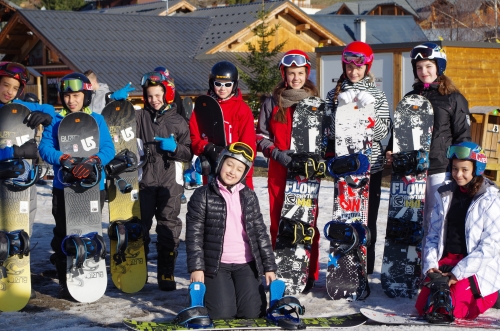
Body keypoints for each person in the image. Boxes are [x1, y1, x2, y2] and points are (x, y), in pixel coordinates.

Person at [386, 42, 471, 254]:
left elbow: (462, 136)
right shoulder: (410, 98)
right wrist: (390, 149)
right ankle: (413, 265)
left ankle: (434, 267)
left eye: (428, 66)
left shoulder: (453, 98)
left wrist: (459, 168)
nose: (424, 72)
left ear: (439, 67)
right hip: (411, 170)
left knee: (437, 220)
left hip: (439, 168)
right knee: (413, 219)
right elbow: (399, 131)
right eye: (419, 67)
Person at [38, 72, 115, 300]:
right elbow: (44, 149)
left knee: (89, 229)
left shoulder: (97, 120)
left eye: (76, 95)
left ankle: (91, 274)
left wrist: (94, 161)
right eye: (67, 95)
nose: (71, 100)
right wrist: (63, 158)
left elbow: (108, 149)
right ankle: (65, 280)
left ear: (86, 96)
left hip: (93, 185)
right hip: (64, 187)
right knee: (63, 232)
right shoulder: (56, 121)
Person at [186, 142, 277, 319]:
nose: (232, 171)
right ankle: (201, 298)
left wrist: (269, 267)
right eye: (229, 164)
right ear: (220, 162)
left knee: (253, 314)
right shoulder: (202, 195)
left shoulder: (248, 196)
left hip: (246, 264)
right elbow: (194, 235)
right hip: (216, 265)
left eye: (239, 169)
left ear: (244, 173)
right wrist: (197, 268)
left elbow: (260, 233)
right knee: (222, 314)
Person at [324, 41, 391, 276]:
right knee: (345, 215)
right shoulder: (334, 94)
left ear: (367, 67)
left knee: (367, 218)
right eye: (349, 67)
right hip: (344, 167)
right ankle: (344, 264)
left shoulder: (378, 95)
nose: (354, 71)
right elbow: (329, 133)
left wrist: (368, 110)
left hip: (370, 167)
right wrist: (341, 108)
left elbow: (383, 132)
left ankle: (366, 267)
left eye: (359, 67)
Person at [256, 50, 320, 292]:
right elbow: (260, 135)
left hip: (306, 171)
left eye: (300, 73)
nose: (296, 78)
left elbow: (326, 137)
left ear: (307, 74)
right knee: (278, 221)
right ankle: (280, 270)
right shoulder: (272, 102)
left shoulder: (315, 102)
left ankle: (309, 272)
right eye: (291, 73)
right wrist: (275, 153)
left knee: (307, 223)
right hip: (279, 168)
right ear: (284, 74)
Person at [415, 142, 500, 321]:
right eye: (454, 169)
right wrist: (431, 266)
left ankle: (492, 294)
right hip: (446, 262)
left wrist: (458, 273)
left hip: (475, 267)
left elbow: (491, 246)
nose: (458, 174)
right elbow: (433, 234)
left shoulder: (491, 199)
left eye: (464, 170)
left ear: (477, 169)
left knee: (448, 310)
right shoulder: (445, 193)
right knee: (424, 306)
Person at [136, 71, 192, 291]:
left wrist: (176, 148)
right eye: (150, 96)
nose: (154, 100)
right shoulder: (141, 118)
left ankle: (166, 273)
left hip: (170, 182)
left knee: (168, 225)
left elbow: (188, 152)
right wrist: (116, 101)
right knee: (141, 226)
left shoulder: (178, 121)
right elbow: (118, 121)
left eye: (158, 95)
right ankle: (138, 269)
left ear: (167, 94)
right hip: (146, 180)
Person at [189, 61, 257, 189]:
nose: (222, 88)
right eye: (218, 84)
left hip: (235, 170)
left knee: (235, 207)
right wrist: (206, 147)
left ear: (234, 85)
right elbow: (194, 137)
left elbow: (249, 144)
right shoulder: (203, 107)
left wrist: (243, 170)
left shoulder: (242, 109)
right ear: (212, 83)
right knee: (213, 205)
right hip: (212, 167)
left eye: (227, 84)